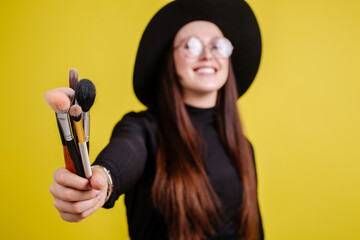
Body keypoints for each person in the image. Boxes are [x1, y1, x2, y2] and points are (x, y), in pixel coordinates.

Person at [49, 0, 263, 239]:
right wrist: (101, 180)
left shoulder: (243, 147)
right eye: (191, 45)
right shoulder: (143, 129)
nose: (207, 55)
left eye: (219, 46)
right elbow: (124, 154)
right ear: (170, 61)